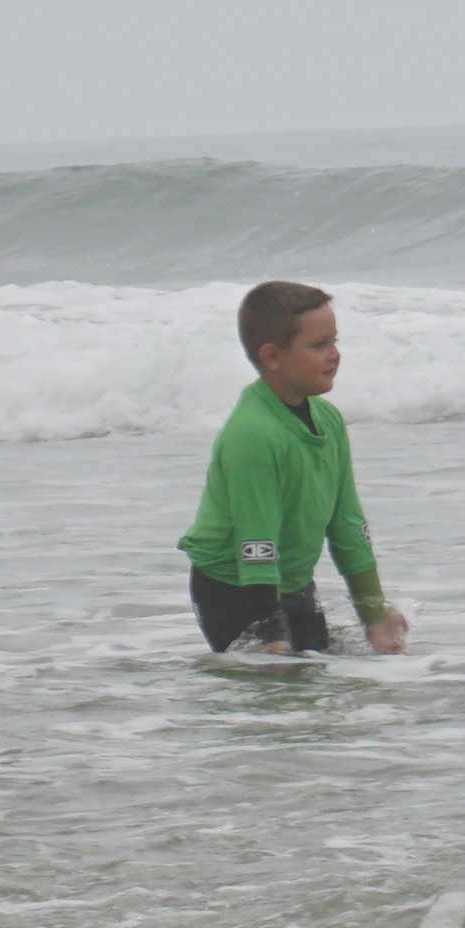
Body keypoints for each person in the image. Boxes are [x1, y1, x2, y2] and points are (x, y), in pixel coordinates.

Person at [180, 279, 407, 656]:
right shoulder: (253, 433)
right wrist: (270, 632)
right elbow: (256, 539)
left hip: (292, 581)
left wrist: (374, 613)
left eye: (335, 341)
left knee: (320, 682)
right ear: (272, 357)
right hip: (234, 588)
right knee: (269, 698)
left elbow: (347, 522)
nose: (333, 355)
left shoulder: (328, 419)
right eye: (318, 346)